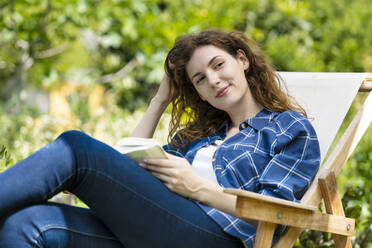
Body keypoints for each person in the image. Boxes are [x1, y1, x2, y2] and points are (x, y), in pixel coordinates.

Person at [0, 30, 320, 248]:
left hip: (216, 238)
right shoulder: (202, 135)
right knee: (25, 224)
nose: (213, 80)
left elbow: (276, 212)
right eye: (200, 79)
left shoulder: (289, 129)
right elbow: (128, 166)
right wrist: (159, 101)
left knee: (76, 149)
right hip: (162, 226)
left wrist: (198, 187)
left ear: (242, 60)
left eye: (218, 65)